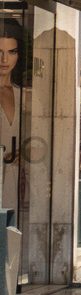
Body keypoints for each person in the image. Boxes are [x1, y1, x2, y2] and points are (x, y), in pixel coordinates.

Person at [0, 19, 23, 218]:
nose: (4, 59)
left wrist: (25, 153)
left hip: (16, 183)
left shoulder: (25, 96)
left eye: (11, 52)